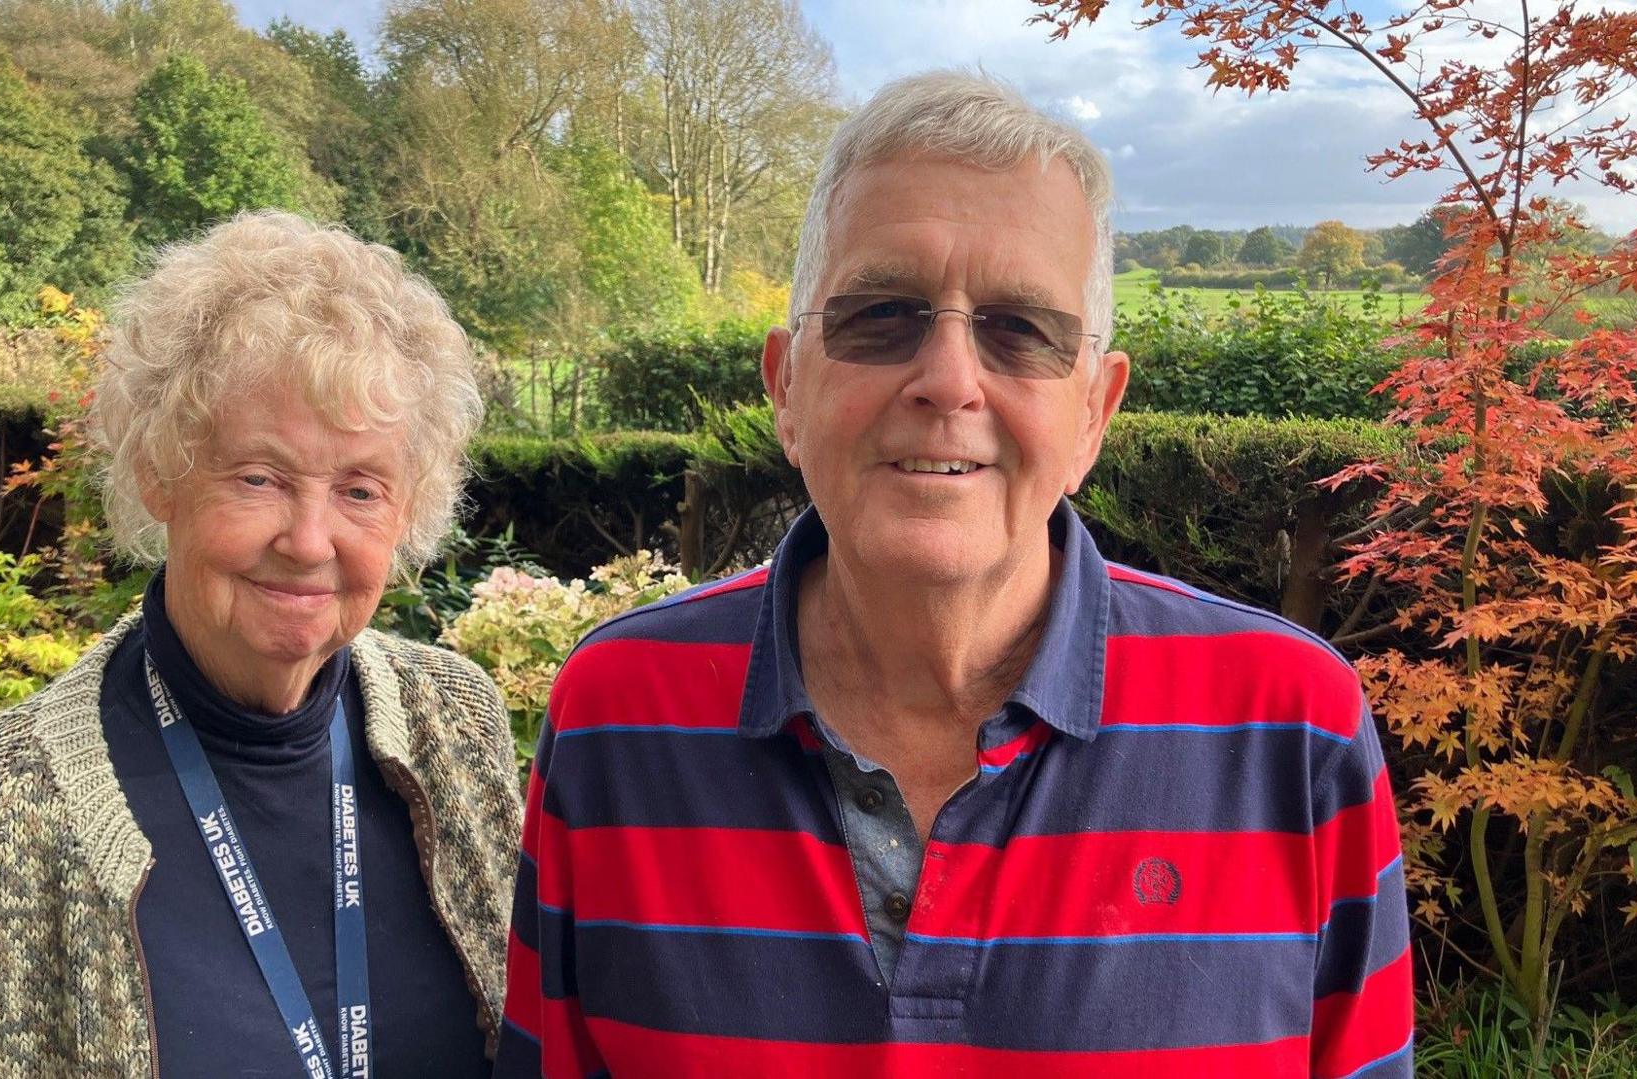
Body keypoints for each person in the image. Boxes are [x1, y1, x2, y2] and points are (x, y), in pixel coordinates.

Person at [499, 72, 1413, 1077]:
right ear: (786, 387)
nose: (948, 379)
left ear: (1094, 414)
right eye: (883, 314)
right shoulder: (619, 715)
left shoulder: (1288, 727)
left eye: (1020, 327)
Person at [0, 211, 523, 1078]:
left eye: (361, 489)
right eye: (260, 477)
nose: (310, 538)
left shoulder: (459, 727)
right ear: (159, 471)